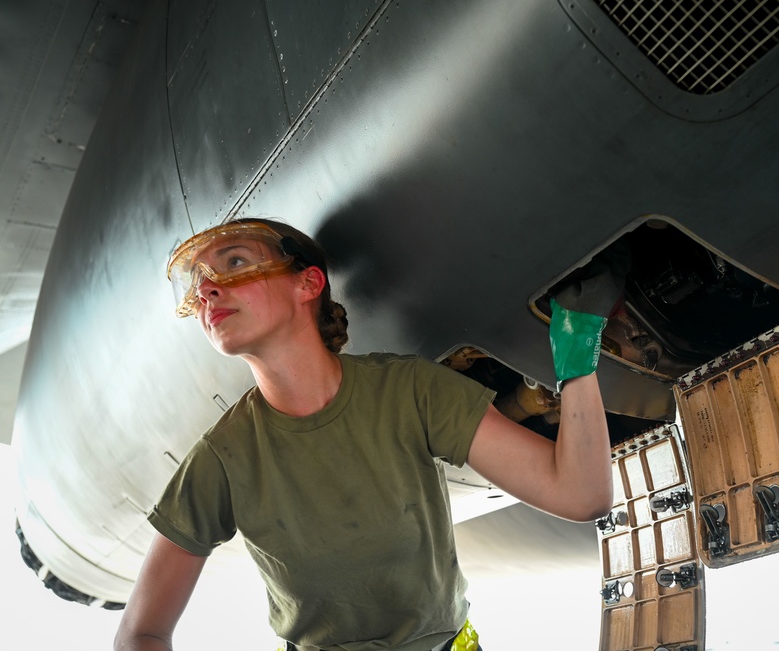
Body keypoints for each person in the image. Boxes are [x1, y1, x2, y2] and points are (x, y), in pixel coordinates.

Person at [114, 218, 622, 651]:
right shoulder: (221, 460)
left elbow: (579, 494)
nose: (207, 288)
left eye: (234, 263)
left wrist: (577, 357)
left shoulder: (410, 391)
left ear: (307, 284)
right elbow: (142, 633)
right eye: (200, 280)